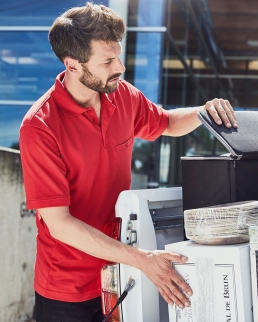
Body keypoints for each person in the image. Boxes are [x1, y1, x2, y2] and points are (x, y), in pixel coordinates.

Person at [19, 2, 237, 322]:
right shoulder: (39, 127)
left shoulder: (122, 95)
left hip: (119, 272)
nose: (120, 67)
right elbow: (59, 223)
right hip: (68, 288)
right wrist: (143, 259)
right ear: (73, 65)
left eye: (119, 55)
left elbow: (165, 123)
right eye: (108, 61)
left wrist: (203, 112)